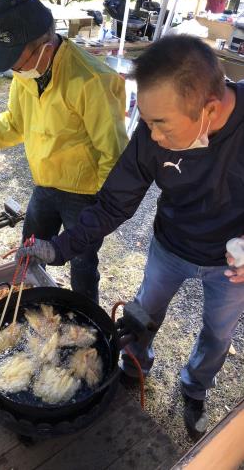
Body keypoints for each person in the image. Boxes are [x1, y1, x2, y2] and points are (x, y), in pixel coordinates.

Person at [17, 35, 244, 440]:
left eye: (161, 124)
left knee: (217, 332)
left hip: (229, 265)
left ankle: (195, 388)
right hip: (171, 244)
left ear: (209, 109)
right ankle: (135, 363)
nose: (151, 136)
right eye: (146, 120)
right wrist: (62, 246)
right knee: (145, 312)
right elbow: (113, 203)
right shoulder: (152, 131)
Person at [0, 0, 128, 304]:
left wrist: (102, 212)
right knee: (29, 249)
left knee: (82, 263)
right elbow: (15, 123)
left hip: (83, 194)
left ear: (45, 46)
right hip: (44, 184)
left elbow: (114, 154)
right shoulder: (26, 73)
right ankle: (24, 300)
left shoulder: (93, 81)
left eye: (15, 57)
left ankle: (88, 317)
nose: (12, 68)